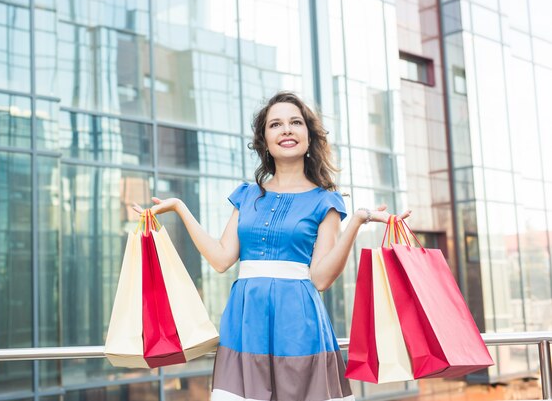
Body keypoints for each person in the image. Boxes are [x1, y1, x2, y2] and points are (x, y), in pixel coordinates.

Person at [131, 91, 411, 401]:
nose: (287, 130)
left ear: (309, 136)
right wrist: (180, 208)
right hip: (245, 320)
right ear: (264, 140)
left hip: (298, 322)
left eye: (295, 122)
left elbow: (320, 278)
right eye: (276, 124)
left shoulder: (325, 201)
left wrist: (357, 221)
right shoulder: (247, 195)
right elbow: (222, 259)